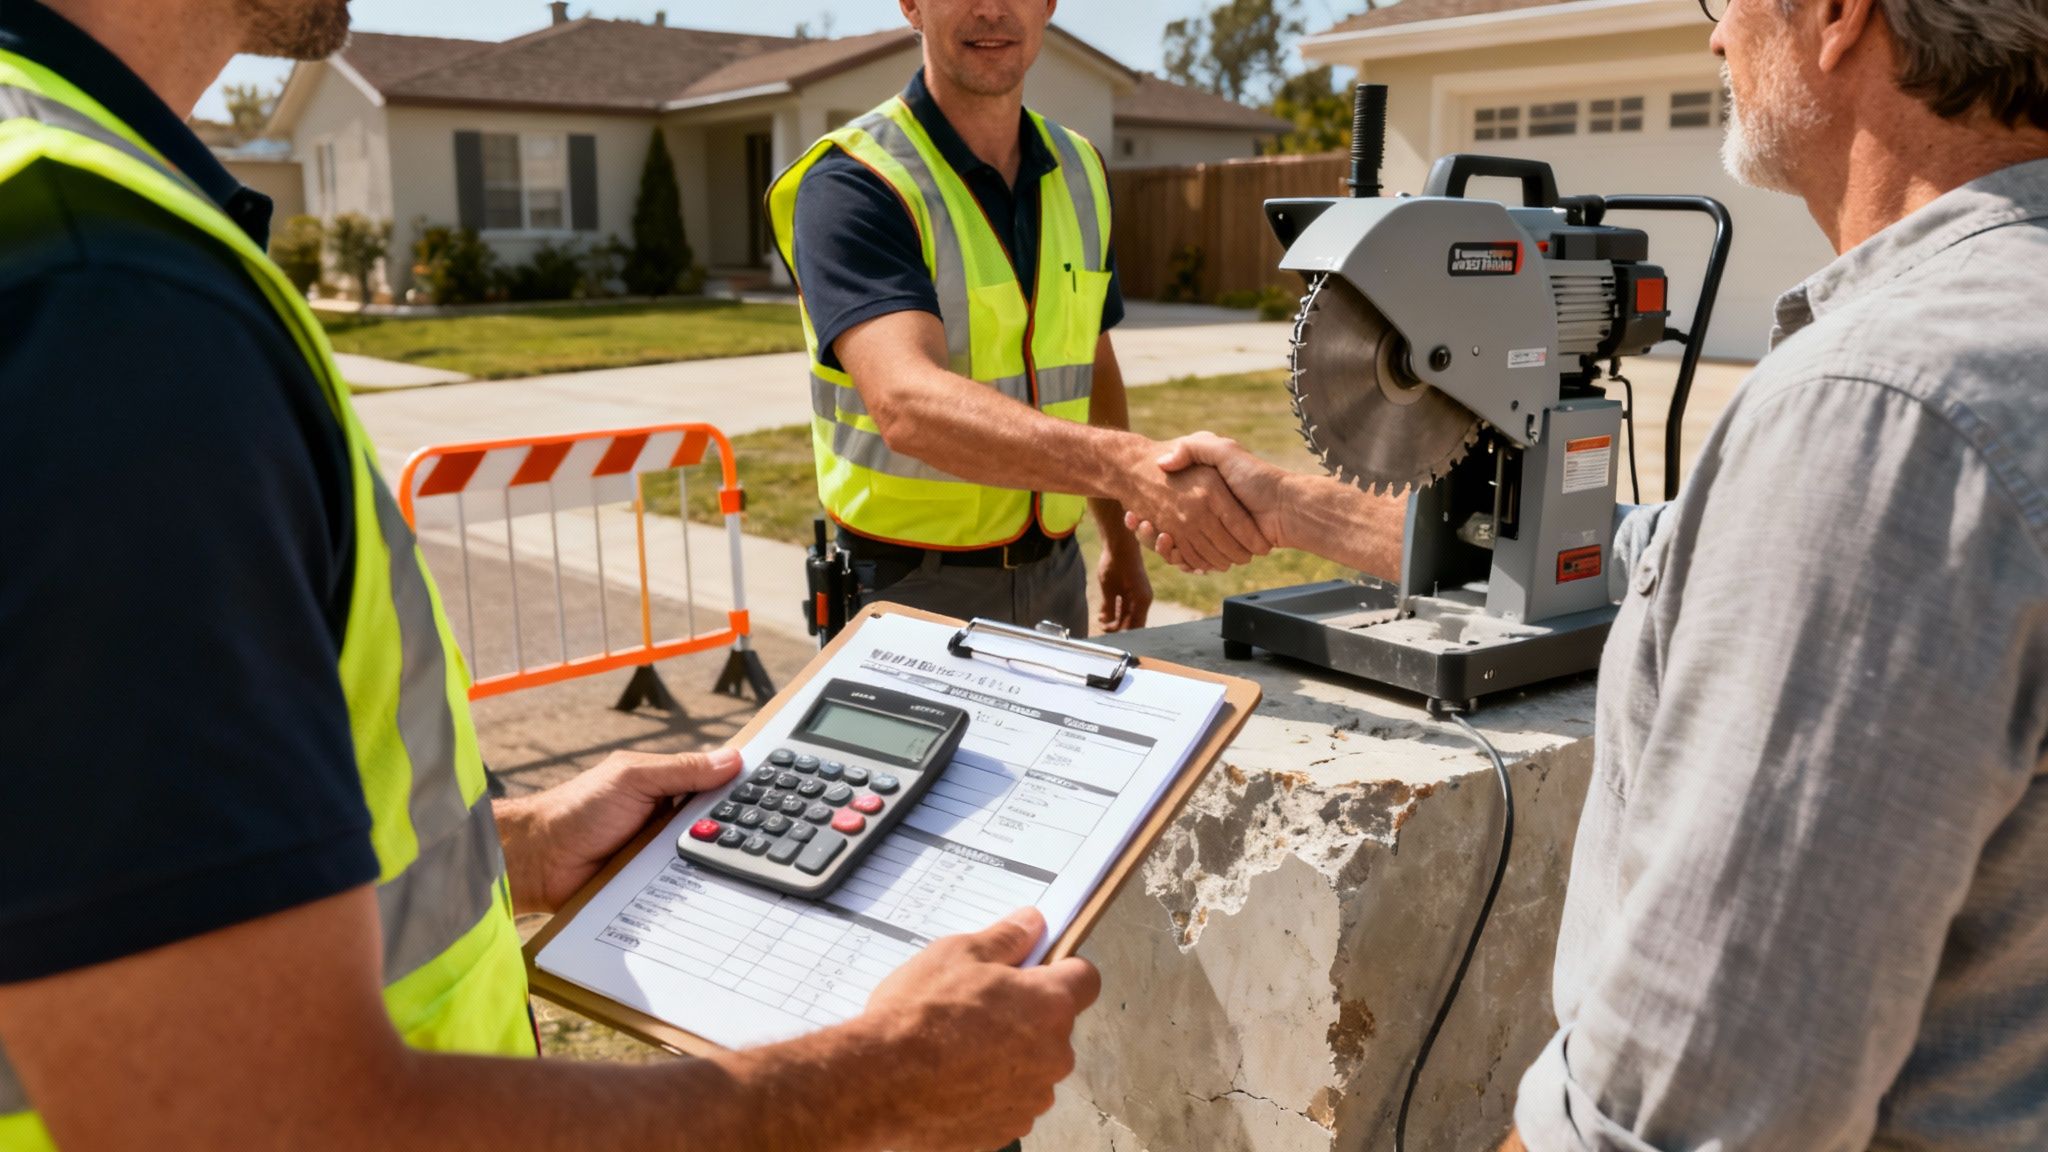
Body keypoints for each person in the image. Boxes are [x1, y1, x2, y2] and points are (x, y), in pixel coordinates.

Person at [0, 1, 1099, 1148]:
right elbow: (248, 1121)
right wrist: (876, 1086)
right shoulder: (98, 288)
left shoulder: (76, 223)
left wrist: (508, 847)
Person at [1135, 0, 2048, 1147]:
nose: (1714, 38)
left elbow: (1686, 1106)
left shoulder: (1876, 414)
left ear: (1832, 16)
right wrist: (1297, 507)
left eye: (1727, 2)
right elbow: (1670, 558)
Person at [767, 0, 1270, 638]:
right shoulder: (854, 182)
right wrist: (1125, 469)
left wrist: (1120, 538)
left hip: (1056, 574)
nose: (992, 10)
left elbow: (1092, 363)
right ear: (912, 6)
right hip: (906, 588)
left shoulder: (1080, 168)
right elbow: (905, 404)